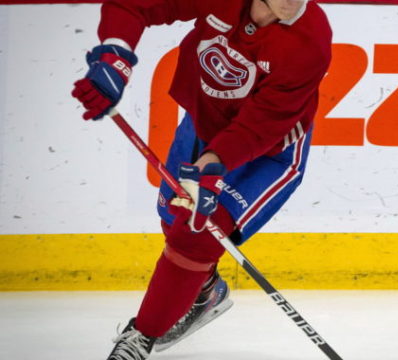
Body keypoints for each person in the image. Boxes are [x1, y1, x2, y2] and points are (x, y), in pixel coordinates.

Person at [71, 0, 332, 359]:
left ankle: (140, 339)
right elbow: (133, 5)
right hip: (203, 123)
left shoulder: (311, 39)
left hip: (269, 151)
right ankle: (206, 290)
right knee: (172, 215)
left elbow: (262, 125)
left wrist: (212, 166)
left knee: (194, 237)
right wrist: (115, 54)